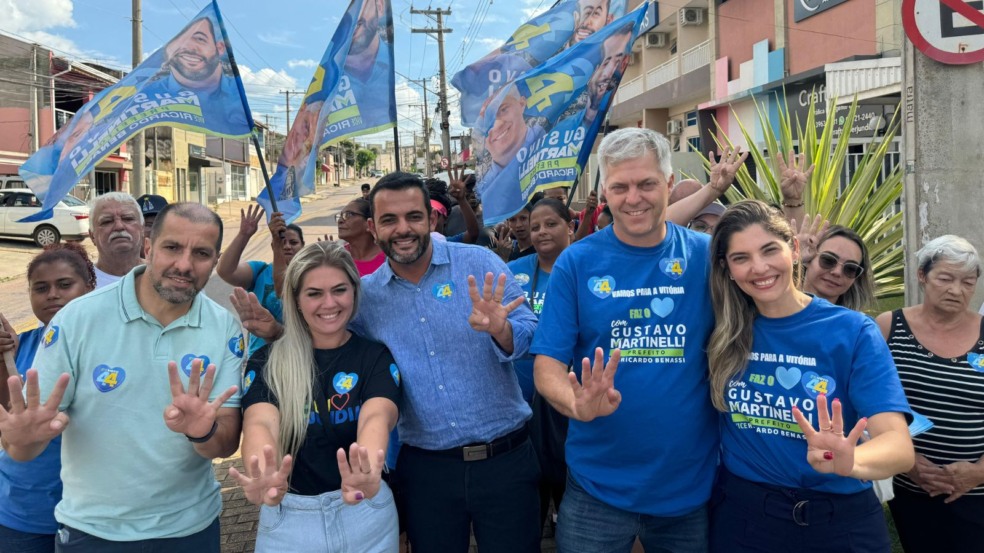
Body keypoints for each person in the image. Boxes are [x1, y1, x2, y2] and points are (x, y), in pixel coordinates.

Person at [239, 173, 541, 552]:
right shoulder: (365, 297)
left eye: (413, 217)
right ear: (373, 227)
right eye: (389, 220)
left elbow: (530, 328)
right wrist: (279, 333)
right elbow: (327, 341)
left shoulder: (479, 263)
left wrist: (502, 330)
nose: (403, 229)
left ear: (431, 220)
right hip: (427, 470)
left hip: (505, 461)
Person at [531, 128, 743, 552]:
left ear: (667, 184)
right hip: (596, 485)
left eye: (646, 184)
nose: (634, 198)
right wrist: (574, 403)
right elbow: (546, 365)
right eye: (619, 187)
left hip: (688, 486)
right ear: (605, 193)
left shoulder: (706, 256)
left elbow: (773, 295)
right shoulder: (577, 262)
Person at [0, 202, 243, 551]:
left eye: (201, 253)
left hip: (191, 528)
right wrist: (21, 440)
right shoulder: (77, 319)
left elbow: (226, 442)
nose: (184, 265)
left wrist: (202, 431)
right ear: (148, 247)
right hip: (93, 531)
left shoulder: (224, 328)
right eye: (172, 247)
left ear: (215, 262)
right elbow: (26, 442)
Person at [706, 199, 913, 553]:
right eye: (741, 258)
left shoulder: (852, 331)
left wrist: (852, 461)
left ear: (796, 249)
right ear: (727, 269)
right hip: (746, 519)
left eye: (770, 250)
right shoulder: (721, 331)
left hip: (840, 522)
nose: (759, 267)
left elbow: (898, 446)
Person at [230, 242, 401, 552]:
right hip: (289, 519)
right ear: (296, 300)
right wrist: (261, 469)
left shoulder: (374, 356)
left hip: (367, 514)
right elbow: (260, 423)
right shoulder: (267, 361)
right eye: (314, 293)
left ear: (354, 292)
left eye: (339, 290)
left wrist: (367, 468)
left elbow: (377, 416)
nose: (329, 303)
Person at [876, 235, 984, 553]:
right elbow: (870, 403)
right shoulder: (889, 327)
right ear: (923, 276)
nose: (956, 290)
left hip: (978, 493)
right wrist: (907, 462)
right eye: (945, 278)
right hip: (911, 487)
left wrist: (977, 472)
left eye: (968, 281)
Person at [0, 243, 96, 553]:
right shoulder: (18, 348)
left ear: (91, 286)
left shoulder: (115, 343)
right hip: (24, 511)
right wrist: (3, 362)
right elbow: (7, 422)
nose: (52, 294)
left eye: (64, 284)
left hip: (95, 513)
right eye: (40, 288)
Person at [507, 197, 575, 536]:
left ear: (571, 226)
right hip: (521, 407)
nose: (541, 231)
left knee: (568, 490)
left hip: (568, 405)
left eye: (551, 224)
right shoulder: (514, 271)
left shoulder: (584, 266)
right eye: (535, 227)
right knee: (528, 497)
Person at [217, 205, 304, 357]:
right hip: (259, 358)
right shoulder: (260, 271)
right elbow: (225, 271)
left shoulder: (309, 275)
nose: (287, 246)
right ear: (273, 246)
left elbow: (283, 289)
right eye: (282, 242)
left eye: (294, 242)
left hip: (296, 355)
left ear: (303, 246)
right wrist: (244, 235)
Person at [147, 16, 250, 134]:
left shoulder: (236, 96)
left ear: (220, 48)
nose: (188, 47)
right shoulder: (150, 94)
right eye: (180, 41)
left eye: (200, 39)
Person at [801, 225, 875, 312]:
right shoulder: (781, 309)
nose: (837, 272)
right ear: (808, 259)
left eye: (850, 268)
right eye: (828, 260)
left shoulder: (858, 324)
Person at [87, 192, 145, 289]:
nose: (119, 226)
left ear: (142, 228)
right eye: (107, 221)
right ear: (92, 236)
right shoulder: (82, 282)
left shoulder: (162, 275)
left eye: (128, 219)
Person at [336, 198, 386, 276]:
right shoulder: (338, 256)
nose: (340, 221)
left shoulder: (389, 259)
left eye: (348, 215)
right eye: (340, 216)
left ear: (369, 224)